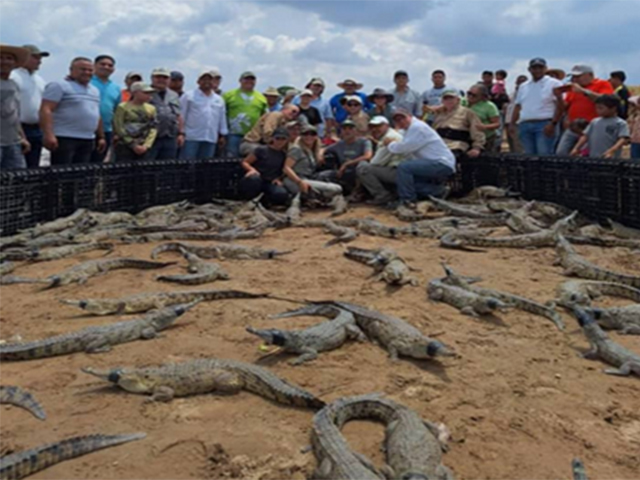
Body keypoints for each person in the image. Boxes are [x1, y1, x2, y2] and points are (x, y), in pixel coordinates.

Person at [40, 57, 106, 165]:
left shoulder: (94, 90)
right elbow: (46, 109)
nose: (87, 72)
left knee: (81, 174)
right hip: (65, 137)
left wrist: (101, 136)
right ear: (71, 70)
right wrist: (48, 134)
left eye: (90, 70)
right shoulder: (59, 86)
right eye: (83, 69)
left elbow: (95, 114)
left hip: (88, 138)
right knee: (62, 173)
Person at [385, 109, 456, 207]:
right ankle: (438, 191)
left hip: (440, 163)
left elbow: (404, 148)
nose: (401, 121)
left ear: (410, 116)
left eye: (403, 118)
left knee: (404, 168)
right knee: (405, 182)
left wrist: (390, 144)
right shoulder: (410, 129)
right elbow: (402, 136)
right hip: (436, 163)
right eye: (397, 120)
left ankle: (407, 200)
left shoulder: (417, 127)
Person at [555, 65, 614, 155]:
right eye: (574, 77)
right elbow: (565, 106)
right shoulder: (574, 88)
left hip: (592, 127)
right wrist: (558, 96)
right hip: (574, 126)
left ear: (590, 75)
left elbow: (606, 100)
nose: (575, 79)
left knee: (587, 153)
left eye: (578, 76)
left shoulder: (602, 84)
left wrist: (583, 91)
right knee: (561, 152)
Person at [510, 58, 564, 155]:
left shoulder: (554, 83)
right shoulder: (523, 86)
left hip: (544, 123)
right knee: (528, 156)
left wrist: (553, 123)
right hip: (525, 124)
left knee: (544, 155)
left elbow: (560, 105)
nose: (537, 70)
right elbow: (518, 106)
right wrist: (512, 123)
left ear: (545, 68)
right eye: (534, 68)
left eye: (540, 67)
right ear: (529, 69)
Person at [10, 44, 48, 168]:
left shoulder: (40, 79)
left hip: (36, 128)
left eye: (39, 58)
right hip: (17, 128)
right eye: (35, 57)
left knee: (33, 167)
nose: (39, 61)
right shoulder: (13, 76)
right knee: (16, 167)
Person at [283, 124, 342, 199]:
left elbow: (326, 147)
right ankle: (310, 198)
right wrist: (299, 182)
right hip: (295, 180)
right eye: (305, 134)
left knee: (333, 173)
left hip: (309, 178)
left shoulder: (312, 150)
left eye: (312, 134)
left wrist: (321, 152)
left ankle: (313, 197)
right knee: (336, 188)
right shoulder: (296, 149)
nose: (309, 137)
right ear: (301, 136)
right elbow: (286, 168)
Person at [356, 116, 406, 205]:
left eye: (378, 126)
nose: (375, 129)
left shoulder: (389, 137)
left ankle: (382, 195)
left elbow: (376, 162)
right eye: (372, 127)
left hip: (399, 171)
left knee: (363, 168)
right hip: (400, 170)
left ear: (386, 126)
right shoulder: (390, 135)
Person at [180, 70, 228, 160]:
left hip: (211, 137)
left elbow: (222, 118)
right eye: (204, 79)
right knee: (187, 165)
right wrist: (181, 133)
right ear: (198, 81)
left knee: (205, 167)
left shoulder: (219, 99)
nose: (207, 82)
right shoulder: (188, 96)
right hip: (191, 137)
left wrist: (222, 135)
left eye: (210, 79)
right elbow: (181, 115)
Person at [318, 119, 373, 195]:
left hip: (358, 173)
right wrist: (320, 155)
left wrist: (347, 164)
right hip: (343, 172)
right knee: (322, 176)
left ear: (355, 131)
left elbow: (368, 156)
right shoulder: (339, 144)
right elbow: (323, 149)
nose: (347, 131)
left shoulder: (364, 142)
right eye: (344, 129)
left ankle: (359, 192)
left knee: (363, 166)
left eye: (350, 129)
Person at [238, 127, 291, 206]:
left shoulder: (284, 154)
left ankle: (265, 201)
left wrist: (279, 179)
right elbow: (245, 162)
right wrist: (251, 170)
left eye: (283, 139)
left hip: (270, 181)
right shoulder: (261, 150)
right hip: (257, 178)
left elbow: (284, 170)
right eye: (277, 138)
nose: (280, 141)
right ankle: (249, 201)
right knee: (254, 180)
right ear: (273, 138)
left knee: (281, 194)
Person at [223, 71, 267, 157]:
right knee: (231, 157)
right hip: (233, 134)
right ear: (240, 81)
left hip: (252, 136)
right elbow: (221, 114)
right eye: (246, 79)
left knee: (250, 159)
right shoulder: (228, 95)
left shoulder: (261, 97)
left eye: (252, 80)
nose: (249, 82)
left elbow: (264, 116)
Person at [1, 44, 30, 169]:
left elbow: (15, 114)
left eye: (9, 58)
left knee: (16, 183)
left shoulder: (13, 84)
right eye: (0, 57)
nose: (5, 61)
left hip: (13, 142)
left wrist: (22, 137)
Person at [112, 82, 157, 161]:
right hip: (125, 145)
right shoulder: (122, 107)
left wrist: (147, 145)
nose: (149, 95)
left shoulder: (151, 108)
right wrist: (132, 144)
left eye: (150, 93)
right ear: (135, 93)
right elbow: (119, 126)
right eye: (145, 93)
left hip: (144, 145)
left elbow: (153, 127)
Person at [432, 90, 484, 157]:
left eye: (451, 98)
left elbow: (477, 131)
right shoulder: (439, 114)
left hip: (456, 145)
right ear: (442, 101)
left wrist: (477, 147)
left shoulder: (467, 113)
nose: (449, 101)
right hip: (438, 144)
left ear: (458, 100)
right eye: (446, 99)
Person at [147, 67, 183, 160]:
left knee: (167, 167)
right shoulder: (144, 92)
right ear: (152, 78)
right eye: (158, 77)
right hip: (149, 137)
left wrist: (181, 133)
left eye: (165, 77)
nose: (161, 80)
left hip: (170, 137)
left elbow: (178, 115)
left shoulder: (174, 95)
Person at [90, 54, 121, 162]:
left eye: (110, 65)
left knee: (98, 164)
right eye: (102, 64)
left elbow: (117, 111)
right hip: (87, 129)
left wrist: (116, 132)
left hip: (107, 130)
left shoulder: (116, 88)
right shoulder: (86, 82)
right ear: (94, 65)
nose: (106, 67)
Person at [467, 84, 501, 152]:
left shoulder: (489, 106)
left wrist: (484, 126)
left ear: (482, 96)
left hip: (486, 138)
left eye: (474, 95)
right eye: (469, 93)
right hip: (466, 137)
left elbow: (497, 124)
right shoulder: (462, 102)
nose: (470, 96)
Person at [504, 74, 528, 153]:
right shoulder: (512, 94)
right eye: (519, 82)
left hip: (518, 122)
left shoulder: (526, 94)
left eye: (522, 82)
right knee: (511, 145)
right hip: (508, 121)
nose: (520, 84)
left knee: (519, 145)